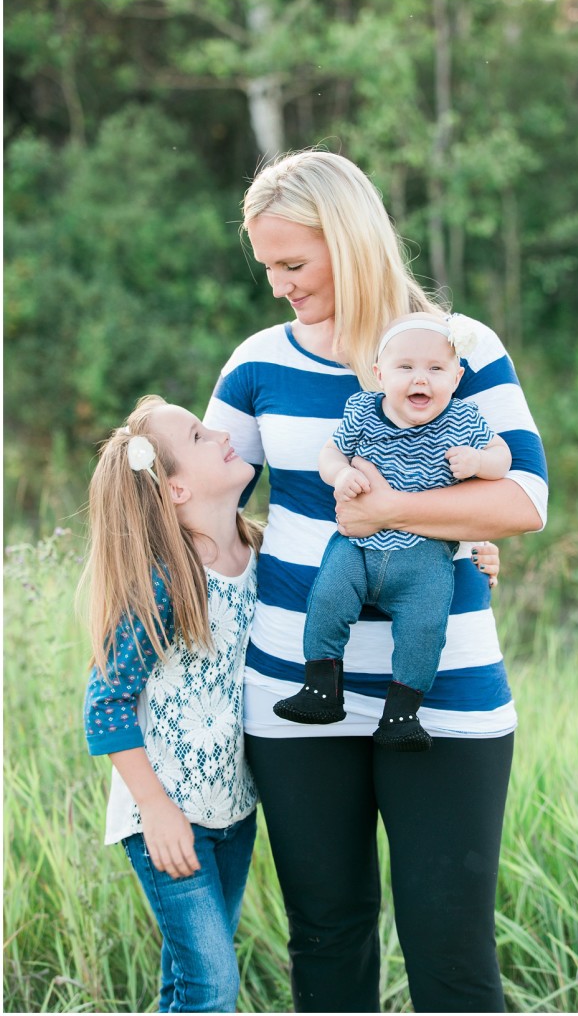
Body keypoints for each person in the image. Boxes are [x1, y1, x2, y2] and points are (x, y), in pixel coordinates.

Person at [204, 148, 548, 1013]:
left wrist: (407, 509)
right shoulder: (256, 362)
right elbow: (202, 513)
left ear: (349, 242)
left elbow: (525, 499)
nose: (279, 284)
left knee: (452, 953)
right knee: (326, 938)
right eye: (267, 267)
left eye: (293, 263)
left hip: (447, 692)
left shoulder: (462, 348)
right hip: (291, 687)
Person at [81, 394, 262, 1014]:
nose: (219, 433)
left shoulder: (257, 549)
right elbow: (104, 703)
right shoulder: (166, 579)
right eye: (197, 435)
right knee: (213, 989)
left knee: (186, 984)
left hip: (234, 812)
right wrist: (155, 810)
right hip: (166, 818)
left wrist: (467, 554)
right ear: (176, 491)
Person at [273, 311, 512, 751]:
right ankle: (321, 689)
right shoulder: (363, 410)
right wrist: (340, 475)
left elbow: (504, 456)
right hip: (357, 546)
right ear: (380, 375)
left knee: (425, 627)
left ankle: (401, 714)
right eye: (406, 368)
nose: (421, 379)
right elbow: (330, 453)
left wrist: (480, 463)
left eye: (436, 369)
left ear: (456, 378)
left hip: (425, 556)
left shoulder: (462, 420)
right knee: (327, 597)